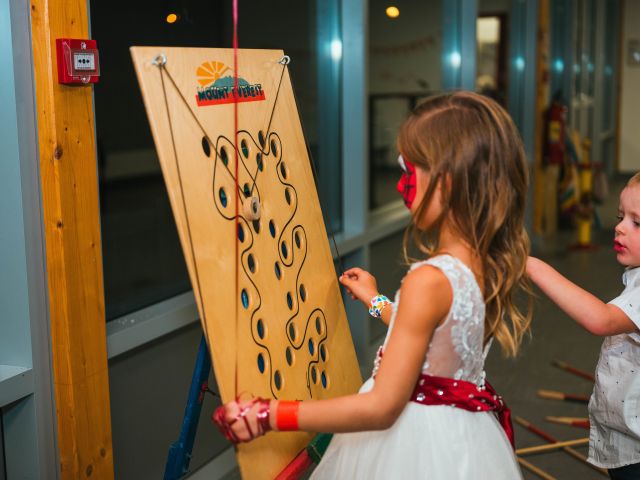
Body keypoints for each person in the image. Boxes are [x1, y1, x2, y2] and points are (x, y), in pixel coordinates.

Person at [213, 91, 532, 479]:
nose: (401, 186)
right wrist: (376, 300)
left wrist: (269, 413)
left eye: (409, 170)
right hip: (460, 439)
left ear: (446, 183)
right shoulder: (484, 260)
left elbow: (381, 407)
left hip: (414, 448)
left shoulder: (428, 280)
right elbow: (435, 346)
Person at [527, 173, 640, 480]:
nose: (619, 227)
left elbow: (601, 319)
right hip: (626, 440)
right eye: (621, 217)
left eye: (637, 222)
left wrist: (534, 267)